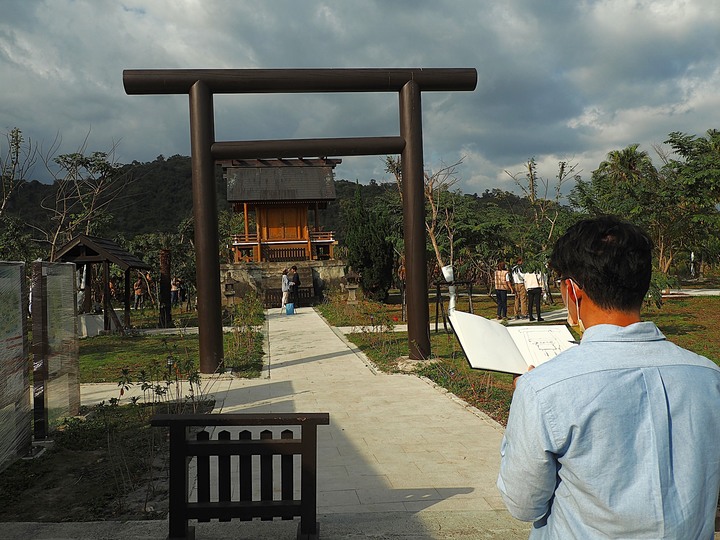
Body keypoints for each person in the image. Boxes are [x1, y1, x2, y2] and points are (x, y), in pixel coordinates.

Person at [497, 216, 720, 539]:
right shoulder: (708, 376)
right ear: (643, 281)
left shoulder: (543, 389)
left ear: (573, 291)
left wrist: (524, 403)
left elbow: (524, 504)